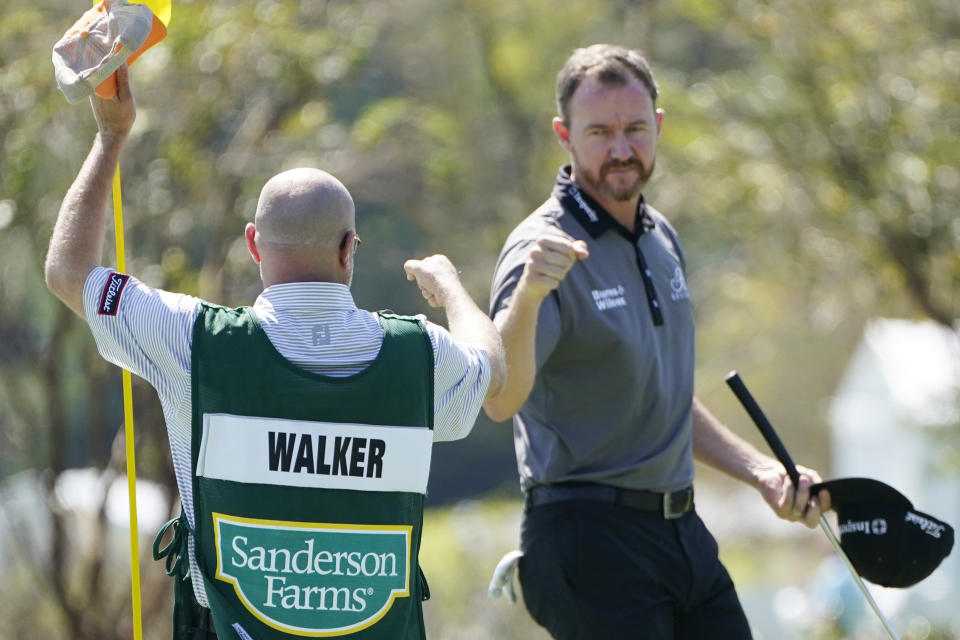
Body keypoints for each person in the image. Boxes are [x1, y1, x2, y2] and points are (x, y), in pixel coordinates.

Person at [45, 65, 505, 640]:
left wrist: (111, 134)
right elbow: (491, 367)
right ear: (347, 249)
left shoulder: (190, 338)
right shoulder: (422, 354)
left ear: (254, 244)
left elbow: (68, 271)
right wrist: (450, 286)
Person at [483, 44, 830, 639]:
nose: (622, 149)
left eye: (636, 129)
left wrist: (761, 472)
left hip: (680, 531)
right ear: (564, 135)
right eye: (600, 132)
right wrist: (530, 299)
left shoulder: (659, 236)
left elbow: (657, 398)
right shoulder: (541, 251)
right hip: (588, 539)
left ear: (659, 126)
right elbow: (499, 399)